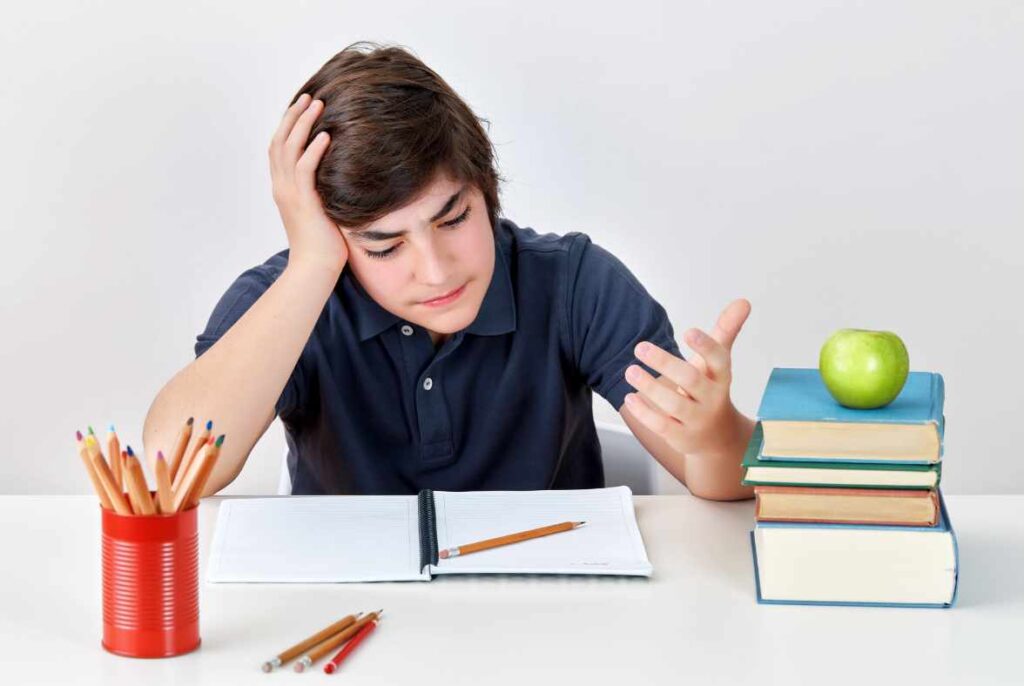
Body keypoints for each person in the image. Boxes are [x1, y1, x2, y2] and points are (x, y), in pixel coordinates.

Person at [142, 42, 756, 500]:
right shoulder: (288, 299)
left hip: (555, 619)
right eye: (384, 247)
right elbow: (173, 469)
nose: (435, 271)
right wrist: (312, 265)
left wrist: (713, 433)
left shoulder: (573, 282)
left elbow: (721, 482)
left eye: (454, 217)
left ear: (486, 191)